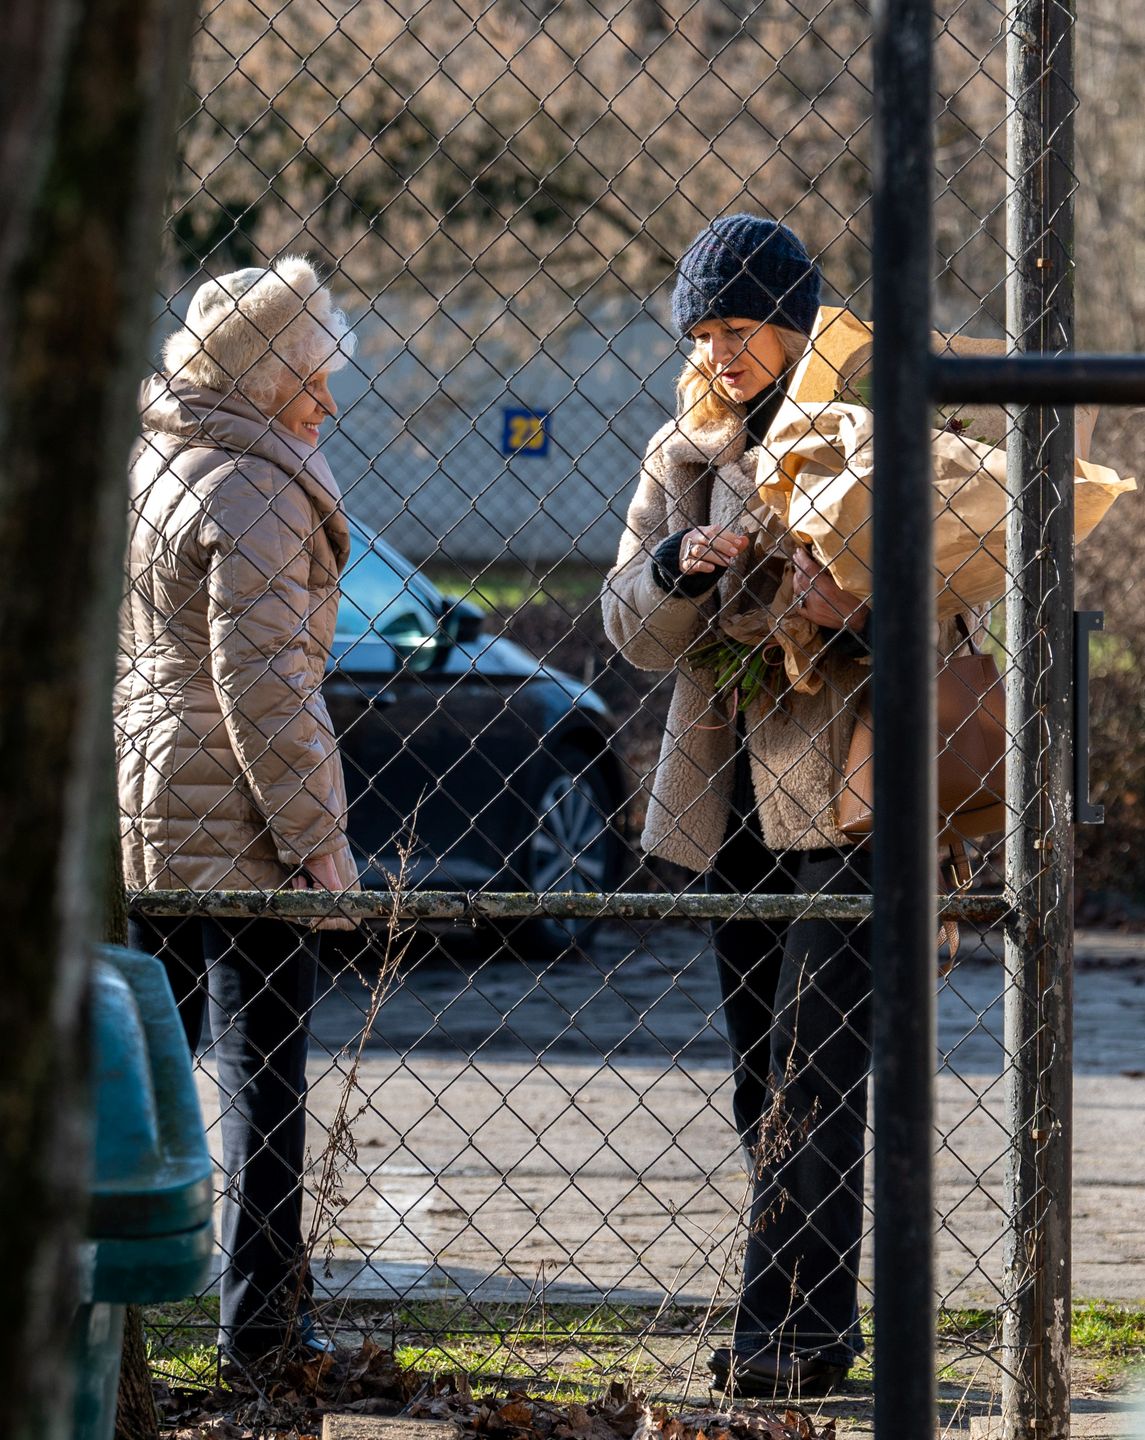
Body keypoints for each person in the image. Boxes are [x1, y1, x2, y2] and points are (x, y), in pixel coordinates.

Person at [602, 214, 884, 1398]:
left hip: (841, 792)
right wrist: (677, 570)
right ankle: (813, 1316)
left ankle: (780, 1332)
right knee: (758, 1070)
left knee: (817, 1067)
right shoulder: (682, 453)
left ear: (795, 325)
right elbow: (627, 630)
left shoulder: (868, 437)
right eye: (703, 332)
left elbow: (957, 613)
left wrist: (847, 607)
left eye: (740, 327)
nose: (719, 352)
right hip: (732, 803)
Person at [116, 255, 359, 1368]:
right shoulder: (256, 485)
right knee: (264, 1064)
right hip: (239, 805)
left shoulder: (160, 458)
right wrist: (317, 840)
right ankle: (260, 1320)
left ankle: (105, 1282)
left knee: (142, 1046)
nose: (327, 399)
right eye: (314, 377)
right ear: (267, 381)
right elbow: (264, 685)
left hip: (152, 789)